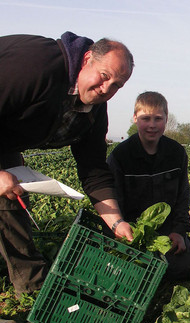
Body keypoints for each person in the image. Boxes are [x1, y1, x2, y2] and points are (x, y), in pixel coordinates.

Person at [0, 31, 134, 308]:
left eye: (118, 85)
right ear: (87, 59)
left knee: (10, 198)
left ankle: (34, 294)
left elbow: (94, 168)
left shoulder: (94, 110)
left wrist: (116, 222)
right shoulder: (36, 67)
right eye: (105, 75)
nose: (107, 88)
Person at [107, 91, 190, 280]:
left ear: (166, 118)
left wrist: (179, 231)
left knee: (182, 268)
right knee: (127, 275)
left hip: (167, 231)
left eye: (158, 118)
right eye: (145, 118)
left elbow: (182, 197)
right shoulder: (121, 156)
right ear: (135, 118)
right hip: (133, 231)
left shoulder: (176, 153)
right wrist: (122, 231)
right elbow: (115, 200)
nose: (152, 125)